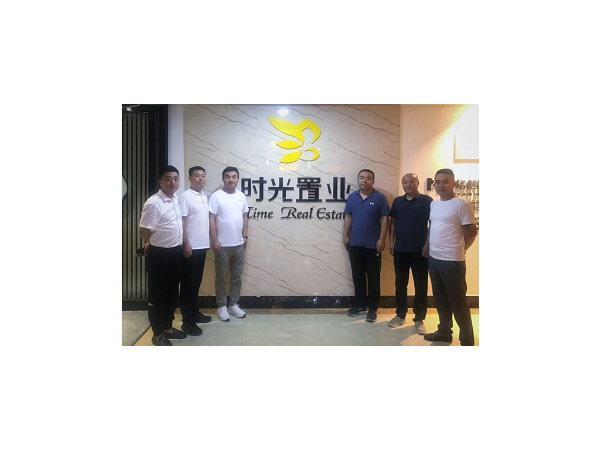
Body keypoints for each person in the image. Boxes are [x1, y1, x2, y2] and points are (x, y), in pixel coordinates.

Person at [422, 168, 478, 346]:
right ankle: (444, 332)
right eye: (437, 182)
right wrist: (427, 244)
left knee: (458, 301)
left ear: (453, 183)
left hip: (452, 261)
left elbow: (472, 232)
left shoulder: (461, 204)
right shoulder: (434, 204)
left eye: (445, 182)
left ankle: (467, 340)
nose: (441, 185)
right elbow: (432, 226)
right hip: (434, 258)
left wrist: (461, 249)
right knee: (440, 299)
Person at [138, 165, 187, 346]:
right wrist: (152, 242)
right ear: (160, 182)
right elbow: (143, 230)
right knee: (157, 296)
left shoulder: (175, 199)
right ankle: (157, 334)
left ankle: (168, 327)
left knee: (172, 294)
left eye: (175, 178)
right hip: (159, 255)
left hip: (175, 253)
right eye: (168, 179)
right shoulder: (154, 202)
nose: (172, 182)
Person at [388, 173, 433, 334]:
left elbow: (432, 223)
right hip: (400, 249)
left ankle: (419, 318)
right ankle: (400, 315)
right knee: (400, 284)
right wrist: (391, 241)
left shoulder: (427, 201)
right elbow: (393, 222)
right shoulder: (398, 201)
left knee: (421, 285)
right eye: (405, 182)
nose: (408, 184)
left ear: (417, 183)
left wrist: (428, 244)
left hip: (420, 251)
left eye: (411, 181)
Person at [343, 169, 389, 323]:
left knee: (373, 278)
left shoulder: (380, 198)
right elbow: (348, 217)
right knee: (357, 276)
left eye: (368, 178)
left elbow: (385, 219)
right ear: (358, 180)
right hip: (355, 243)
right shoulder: (352, 197)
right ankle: (359, 305)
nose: (364, 181)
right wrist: (345, 235)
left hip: (373, 245)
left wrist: (382, 239)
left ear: (373, 181)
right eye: (361, 178)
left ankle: (373, 308)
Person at [209, 167, 249, 322]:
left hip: (239, 244)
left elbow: (244, 217)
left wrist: (245, 236)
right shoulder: (216, 196)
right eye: (227, 177)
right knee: (221, 278)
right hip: (222, 245)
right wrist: (214, 240)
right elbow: (211, 219)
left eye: (234, 177)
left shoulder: (241, 196)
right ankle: (221, 306)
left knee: (236, 277)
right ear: (223, 179)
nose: (231, 179)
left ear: (237, 179)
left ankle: (233, 305)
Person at [178, 166, 212, 337]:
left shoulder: (204, 197)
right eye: (197, 176)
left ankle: (194, 313)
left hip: (202, 246)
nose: (200, 179)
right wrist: (186, 243)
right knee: (188, 285)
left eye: (203, 176)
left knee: (196, 283)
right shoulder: (186, 196)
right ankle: (187, 322)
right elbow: (182, 222)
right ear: (189, 178)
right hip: (190, 248)